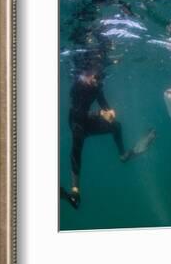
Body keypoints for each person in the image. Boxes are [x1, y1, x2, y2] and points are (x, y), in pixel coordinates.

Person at [61, 67, 155, 209]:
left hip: (88, 121)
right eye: (95, 78)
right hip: (76, 122)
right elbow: (78, 113)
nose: (98, 81)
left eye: (100, 78)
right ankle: (75, 191)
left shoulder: (97, 87)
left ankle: (123, 155)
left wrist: (109, 112)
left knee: (116, 126)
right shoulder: (78, 86)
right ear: (86, 75)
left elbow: (104, 105)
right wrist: (100, 113)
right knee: (77, 147)